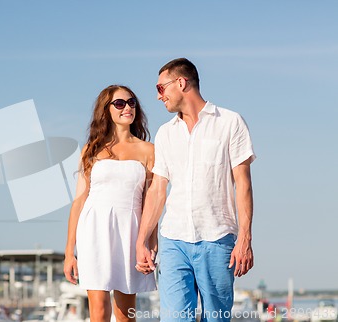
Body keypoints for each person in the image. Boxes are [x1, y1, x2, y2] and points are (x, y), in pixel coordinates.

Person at [135, 58, 256, 322]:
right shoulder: (165, 133)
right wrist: (142, 239)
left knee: (216, 318)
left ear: (181, 82)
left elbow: (243, 184)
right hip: (173, 240)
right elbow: (157, 190)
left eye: (160, 88)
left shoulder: (230, 122)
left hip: (217, 238)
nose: (158, 96)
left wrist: (245, 238)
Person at [64, 85, 157, 322]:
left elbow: (151, 202)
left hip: (130, 231)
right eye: (120, 103)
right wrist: (69, 253)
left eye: (132, 102)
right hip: (94, 229)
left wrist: (151, 242)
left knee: (126, 315)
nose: (127, 107)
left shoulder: (148, 150)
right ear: (106, 110)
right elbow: (79, 201)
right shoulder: (91, 150)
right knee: (99, 311)